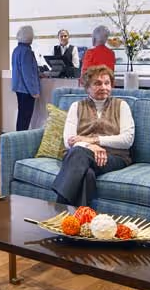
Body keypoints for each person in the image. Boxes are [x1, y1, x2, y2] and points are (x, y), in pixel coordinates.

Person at [51, 64, 133, 206]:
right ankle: (81, 220)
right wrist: (90, 146)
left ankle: (59, 206)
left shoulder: (121, 106)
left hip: (113, 157)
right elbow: (68, 141)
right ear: (87, 87)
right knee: (87, 174)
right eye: (97, 83)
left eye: (107, 83)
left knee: (77, 153)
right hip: (81, 153)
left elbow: (127, 140)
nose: (103, 87)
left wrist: (94, 140)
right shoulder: (76, 106)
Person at [11, 25, 40, 131]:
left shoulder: (16, 50)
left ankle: (18, 138)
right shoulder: (27, 52)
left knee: (21, 116)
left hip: (19, 88)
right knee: (25, 117)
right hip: (26, 90)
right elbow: (27, 74)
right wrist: (34, 91)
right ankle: (22, 140)